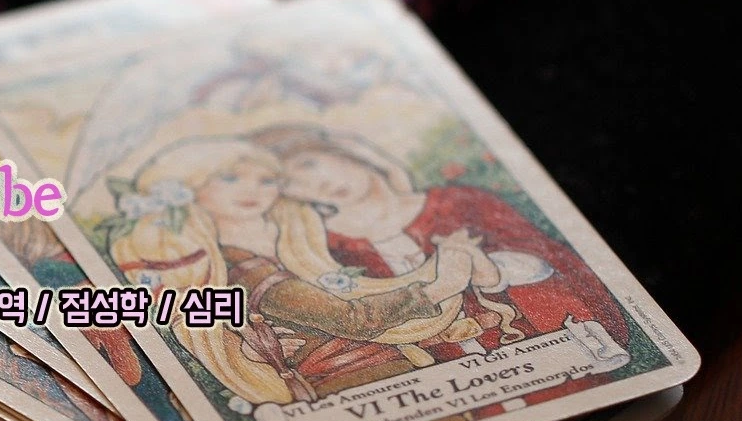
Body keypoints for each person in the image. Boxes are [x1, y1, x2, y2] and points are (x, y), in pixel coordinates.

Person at [101, 137, 485, 405]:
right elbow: (353, 319)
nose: (253, 190)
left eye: (267, 180)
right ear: (190, 188)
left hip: (397, 375)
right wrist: (441, 286)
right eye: (230, 178)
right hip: (352, 388)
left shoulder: (295, 241)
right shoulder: (239, 266)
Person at [249, 124, 629, 363]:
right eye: (292, 183)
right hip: (445, 386)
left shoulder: (461, 203)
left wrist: (490, 270)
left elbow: (564, 271)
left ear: (345, 152)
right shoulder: (326, 251)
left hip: (547, 357)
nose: (315, 184)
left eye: (310, 165)